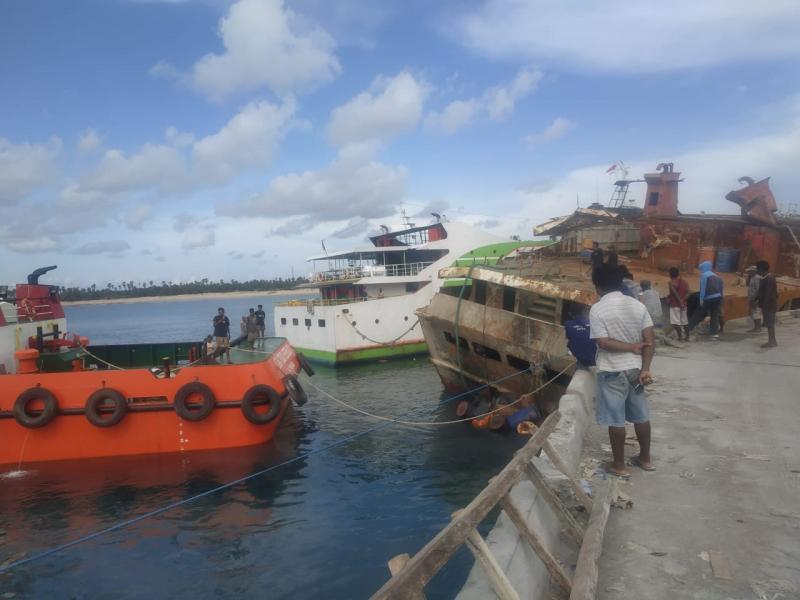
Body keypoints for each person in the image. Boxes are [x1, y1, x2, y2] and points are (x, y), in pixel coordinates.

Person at [590, 264, 655, 478]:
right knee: (641, 415)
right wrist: (646, 369)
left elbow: (603, 342)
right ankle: (645, 460)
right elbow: (649, 341)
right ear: (620, 282)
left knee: (615, 419)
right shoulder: (637, 305)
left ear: (597, 287)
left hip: (611, 370)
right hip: (636, 369)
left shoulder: (597, 309)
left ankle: (619, 466)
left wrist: (629, 347)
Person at [687, 261, 723, 339]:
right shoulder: (717, 276)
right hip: (718, 298)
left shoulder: (704, 276)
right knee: (714, 315)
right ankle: (714, 333)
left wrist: (701, 300)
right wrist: (721, 299)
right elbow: (721, 289)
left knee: (699, 313)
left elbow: (703, 289)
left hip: (708, 298)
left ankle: (688, 328)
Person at [756, 260, 779, 348]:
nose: (757, 271)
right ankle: (771, 340)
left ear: (762, 269)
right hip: (768, 304)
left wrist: (764, 305)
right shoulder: (765, 278)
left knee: (770, 324)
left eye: (758, 269)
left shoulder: (769, 278)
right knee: (769, 323)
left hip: (769, 305)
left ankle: (772, 341)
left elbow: (768, 293)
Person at [667, 267, 690, 341]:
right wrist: (683, 301)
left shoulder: (671, 282)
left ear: (670, 274)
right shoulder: (684, 282)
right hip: (683, 305)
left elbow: (675, 293)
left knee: (676, 322)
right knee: (685, 321)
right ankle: (687, 337)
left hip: (675, 305)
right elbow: (689, 292)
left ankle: (680, 338)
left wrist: (680, 302)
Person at [745, 266, 763, 333]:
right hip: (752, 298)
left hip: (755, 299)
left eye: (749, 271)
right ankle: (756, 327)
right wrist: (748, 277)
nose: (748, 273)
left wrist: (756, 299)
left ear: (754, 271)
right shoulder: (752, 278)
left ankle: (757, 328)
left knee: (756, 313)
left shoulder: (757, 278)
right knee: (753, 313)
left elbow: (758, 290)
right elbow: (747, 285)